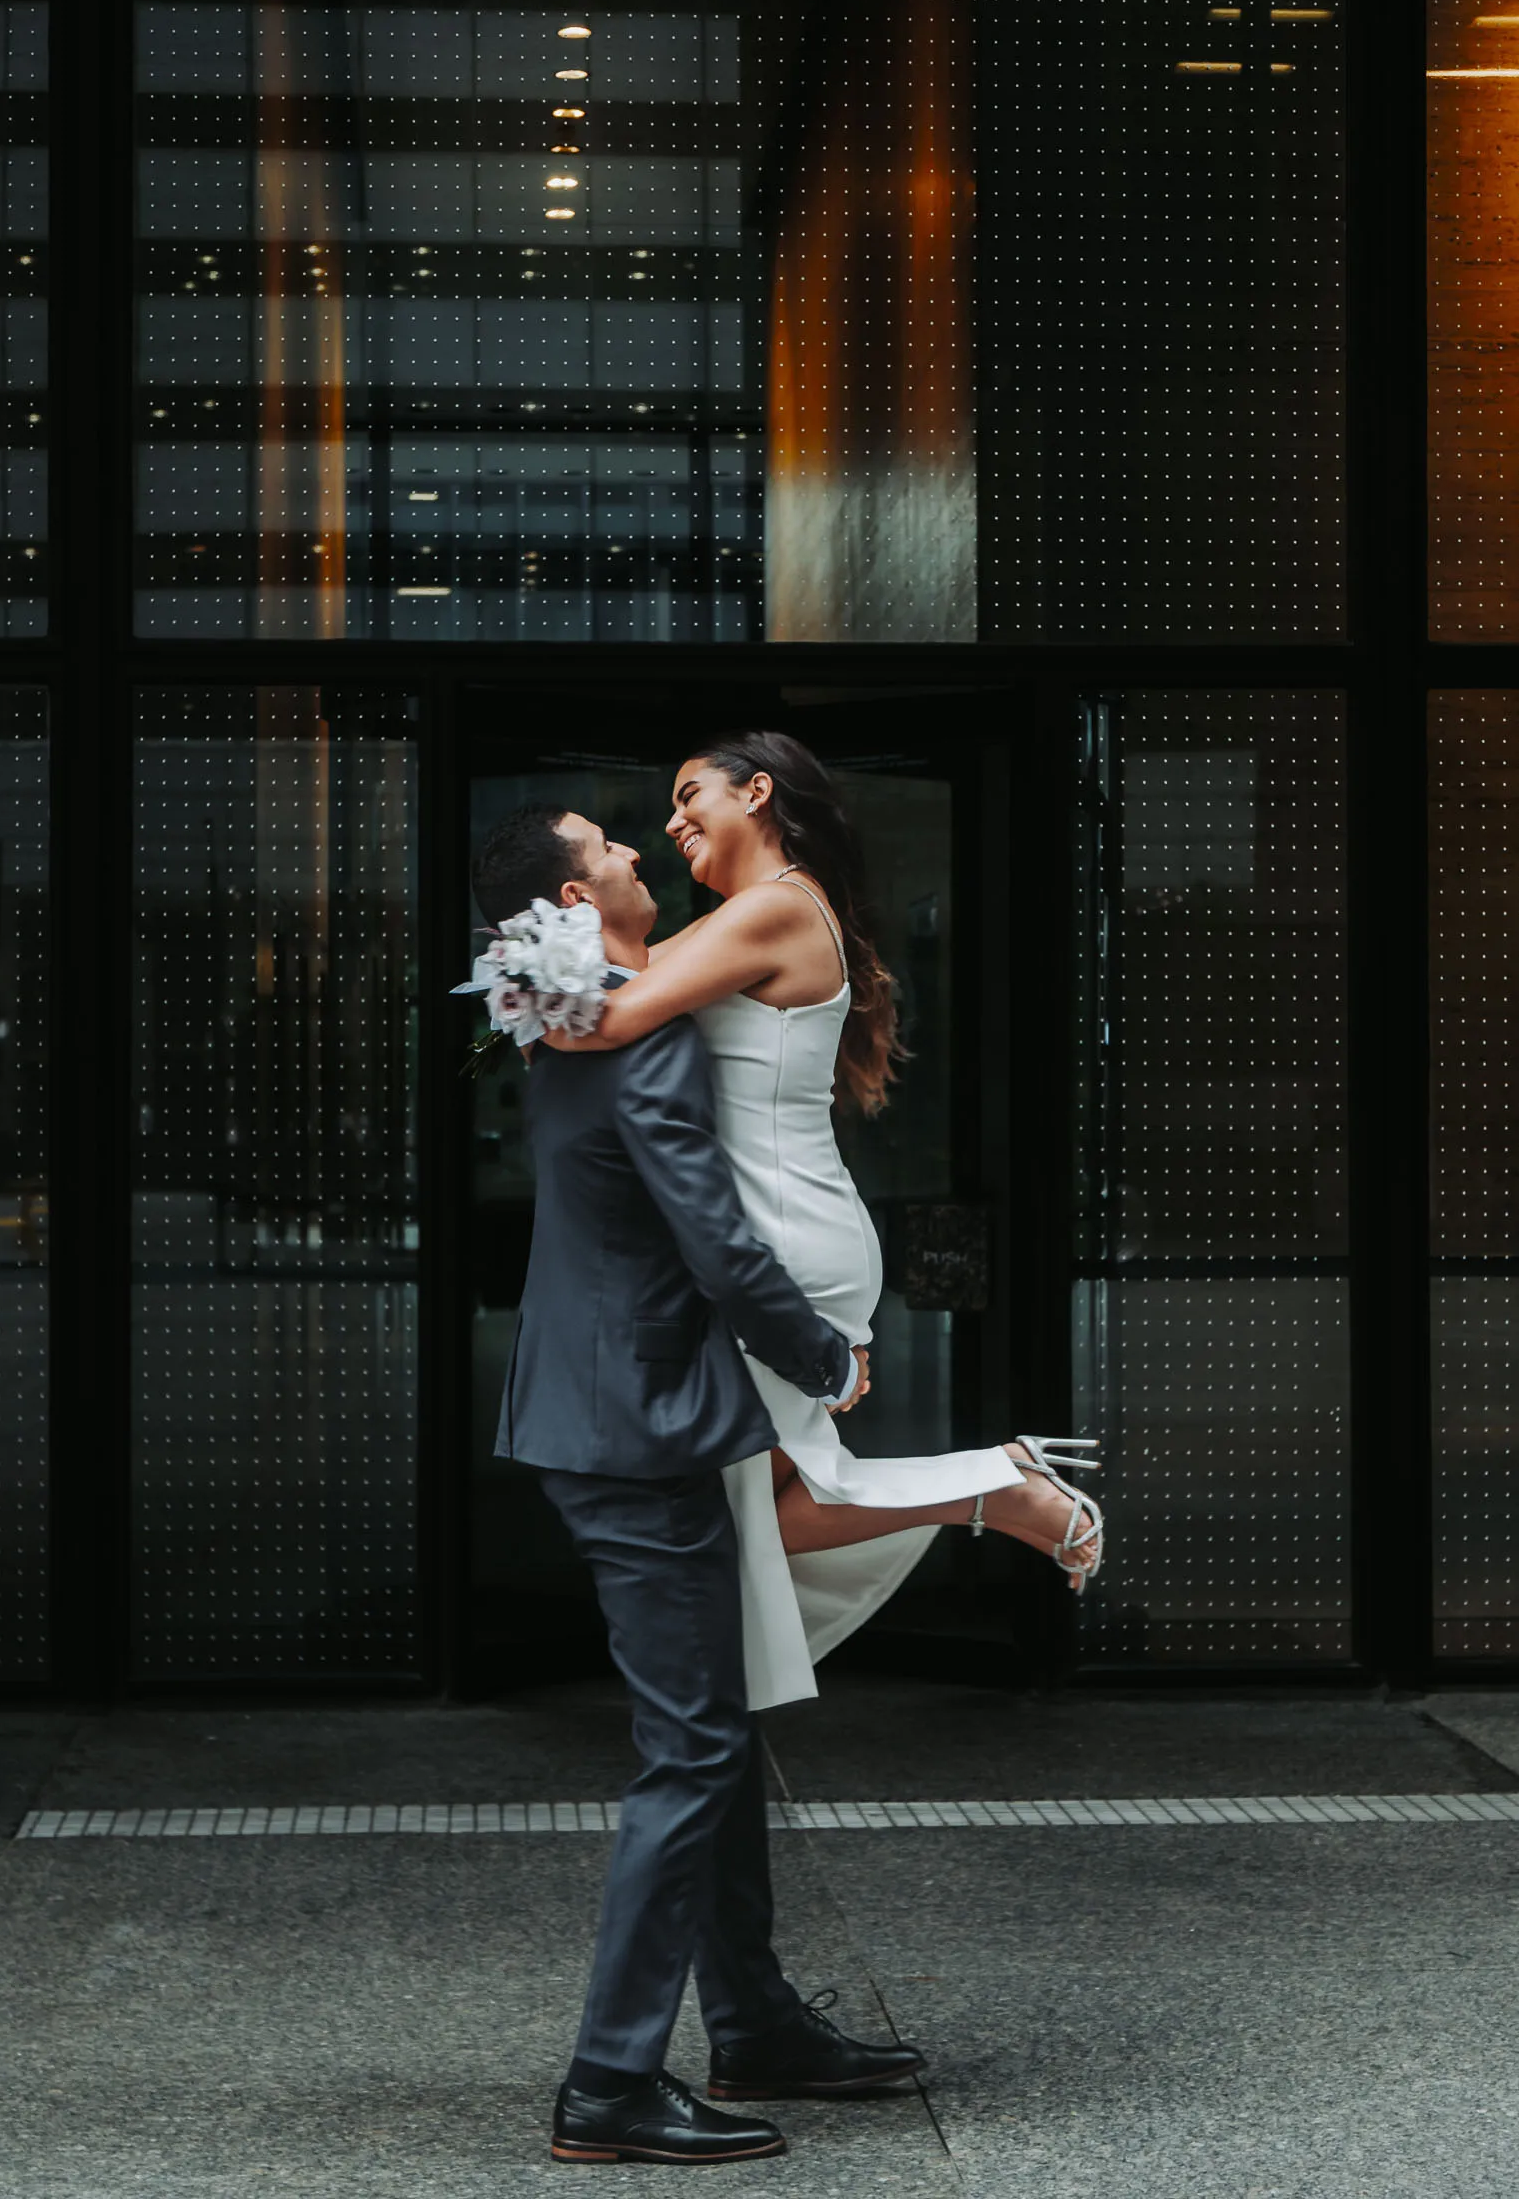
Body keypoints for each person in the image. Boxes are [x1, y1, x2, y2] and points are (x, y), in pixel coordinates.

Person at [470, 803, 926, 2169]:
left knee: (711, 1728)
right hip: (641, 1427)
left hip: (600, 1412)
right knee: (692, 1750)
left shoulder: (564, 1021)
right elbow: (714, 1237)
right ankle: (609, 2086)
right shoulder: (638, 1029)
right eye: (605, 845)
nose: (633, 850)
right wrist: (822, 1355)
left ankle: (757, 2023)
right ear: (575, 895)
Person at [542, 729, 1103, 1712]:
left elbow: (608, 1017)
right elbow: (624, 985)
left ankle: (1000, 1491)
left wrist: (521, 975)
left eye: (690, 796)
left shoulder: (776, 907)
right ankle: (995, 1489)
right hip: (786, 1228)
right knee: (751, 1506)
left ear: (757, 792)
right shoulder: (753, 915)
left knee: (743, 1509)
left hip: (783, 1235)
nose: (671, 823)